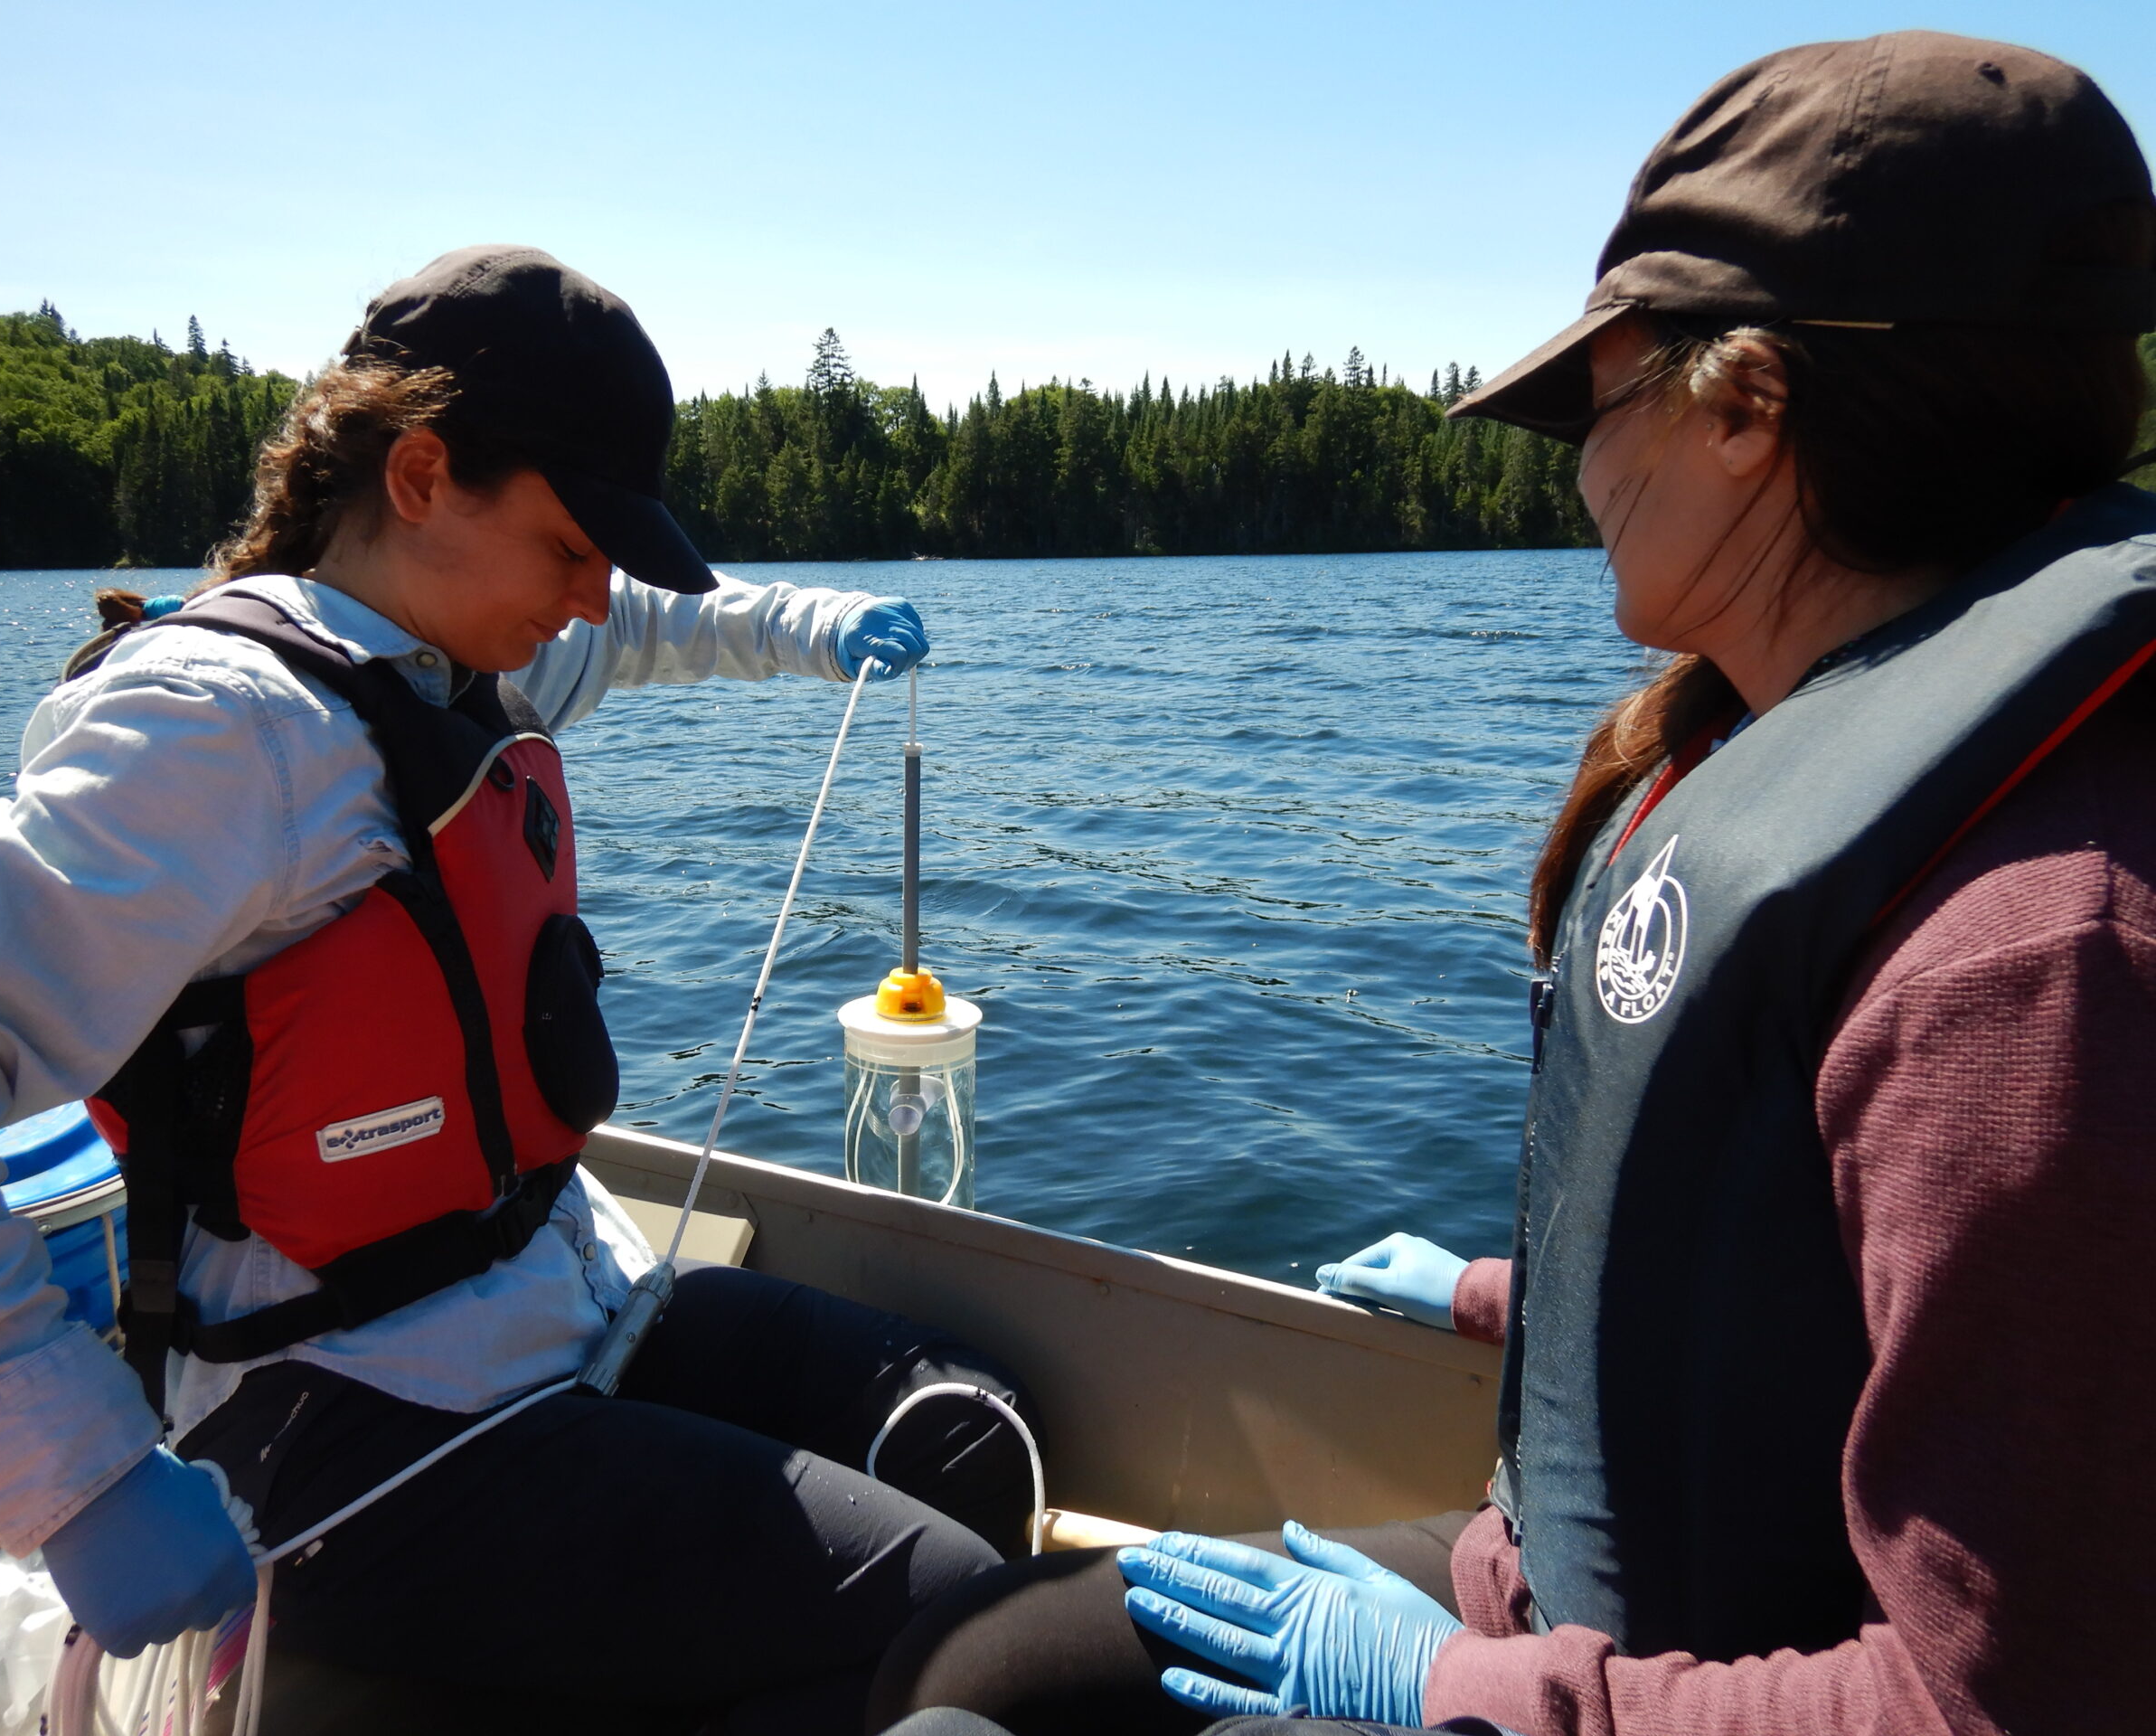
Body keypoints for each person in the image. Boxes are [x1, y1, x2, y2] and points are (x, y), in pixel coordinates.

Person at [867, 33, 2156, 1736]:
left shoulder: (2039, 955)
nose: (1579, 468)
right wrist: (1497, 1295)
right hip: (1552, 1596)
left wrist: (1463, 1692)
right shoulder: (1776, 758)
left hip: (1651, 1687)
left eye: (1596, 403)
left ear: (1749, 406)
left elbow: (2015, 1704)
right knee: (985, 1664)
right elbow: (1780, 1290)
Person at [0, 246, 1039, 1734]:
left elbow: (662, 623)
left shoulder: (464, 651)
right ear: (420, 476)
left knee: (972, 1437)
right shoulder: (227, 732)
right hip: (362, 1427)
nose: (594, 592)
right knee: (961, 1633)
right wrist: (74, 1477)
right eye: (572, 545)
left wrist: (817, 626)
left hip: (559, 1302)